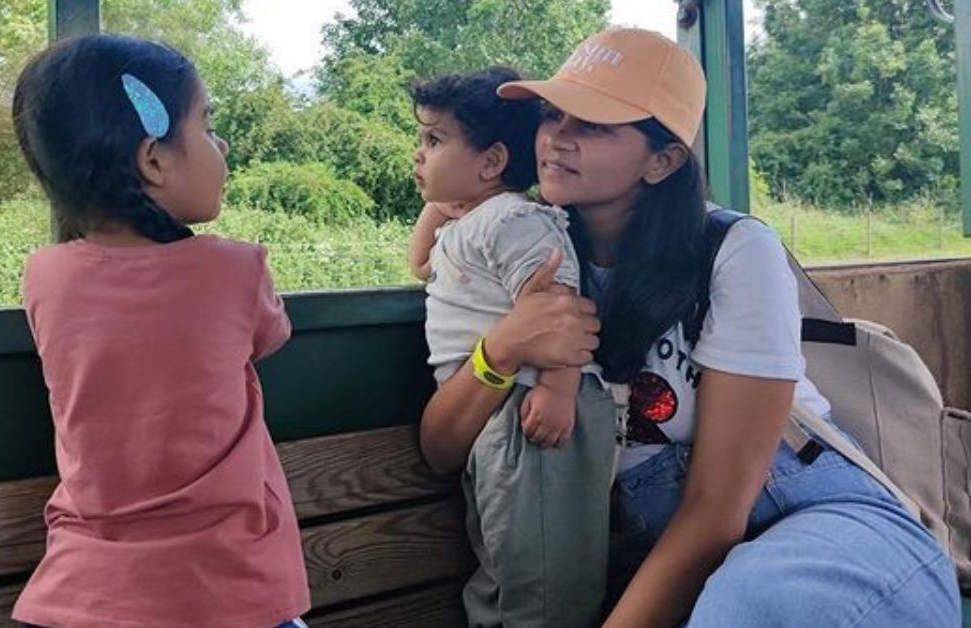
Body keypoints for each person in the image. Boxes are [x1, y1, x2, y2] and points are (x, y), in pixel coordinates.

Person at [423, 27, 961, 627]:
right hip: (651, 556)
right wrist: (501, 349)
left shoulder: (732, 249)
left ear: (663, 160)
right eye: (552, 115)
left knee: (751, 604)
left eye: (594, 125)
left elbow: (716, 510)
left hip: (802, 517)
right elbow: (443, 451)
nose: (557, 140)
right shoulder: (520, 255)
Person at [9, 35, 309, 628]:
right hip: (227, 587)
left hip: (83, 591)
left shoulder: (45, 278)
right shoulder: (235, 269)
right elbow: (271, 335)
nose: (220, 145)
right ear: (154, 158)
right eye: (207, 125)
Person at [407, 68, 618, 627]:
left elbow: (557, 307)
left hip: (535, 410)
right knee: (505, 560)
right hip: (495, 414)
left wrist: (557, 390)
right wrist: (444, 192)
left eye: (434, 140)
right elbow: (420, 262)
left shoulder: (514, 220)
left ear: (493, 161)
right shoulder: (473, 222)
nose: (418, 154)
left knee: (543, 579)